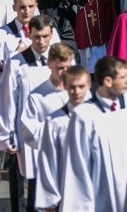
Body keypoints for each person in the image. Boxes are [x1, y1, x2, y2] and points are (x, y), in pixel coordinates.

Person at [59, 56, 127, 212]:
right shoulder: (84, 116)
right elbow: (76, 168)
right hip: (103, 199)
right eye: (123, 77)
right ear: (108, 81)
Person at [0, 27, 66, 212]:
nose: (42, 41)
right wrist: (7, 133)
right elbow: (7, 100)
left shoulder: (60, 59)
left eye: (46, 37)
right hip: (26, 129)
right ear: (30, 36)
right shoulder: (18, 62)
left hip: (57, 134)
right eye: (37, 37)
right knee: (26, 176)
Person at [34, 65, 92, 211]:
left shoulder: (99, 118)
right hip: (68, 191)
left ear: (89, 85)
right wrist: (49, 200)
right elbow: (48, 161)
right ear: (65, 86)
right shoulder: (54, 122)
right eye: (72, 87)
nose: (77, 92)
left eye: (81, 86)